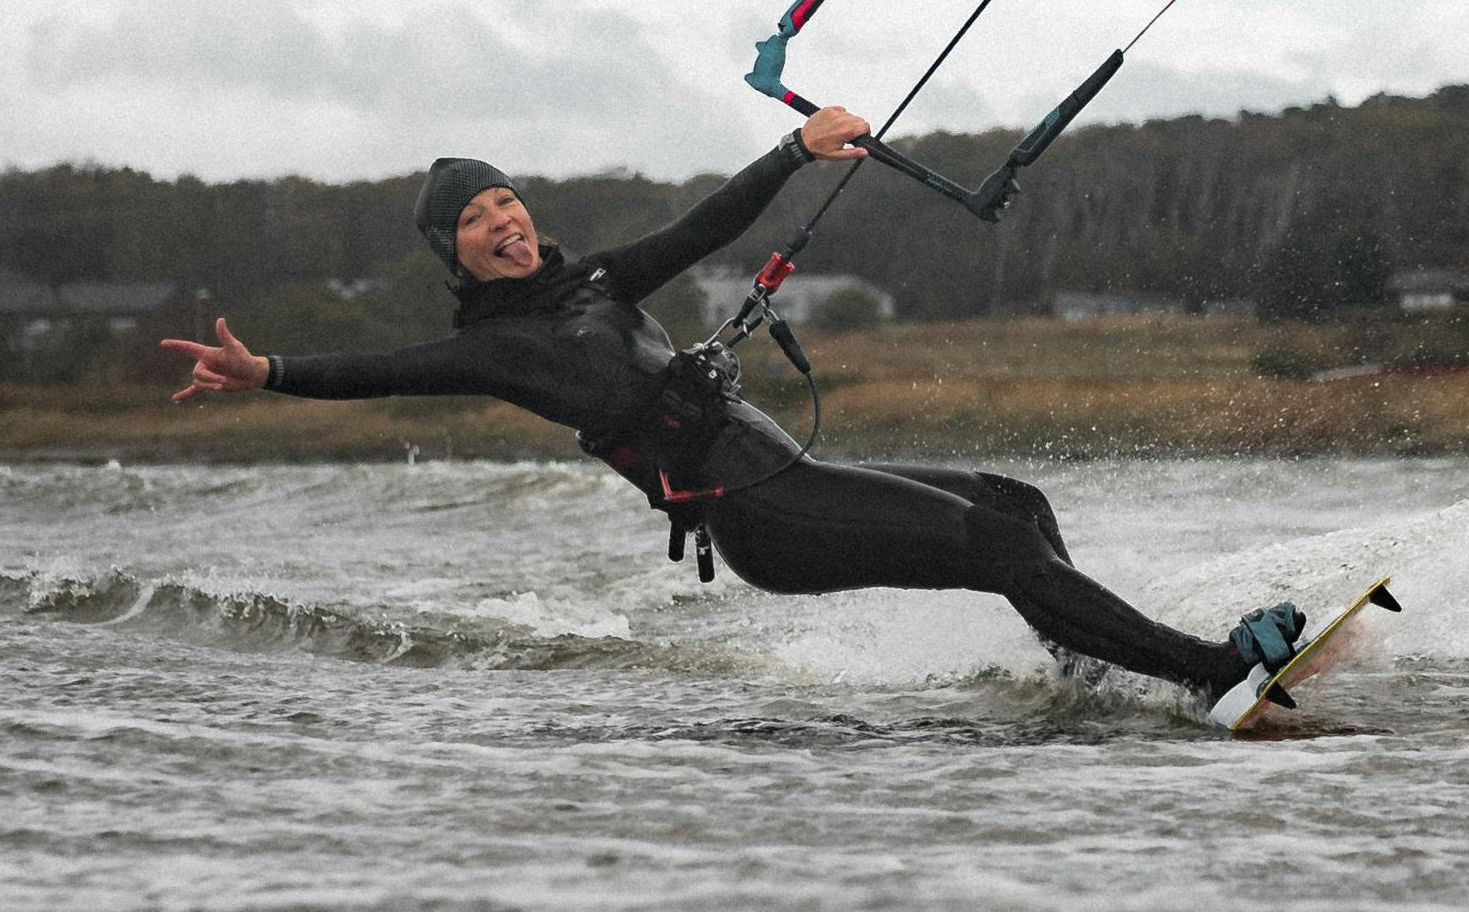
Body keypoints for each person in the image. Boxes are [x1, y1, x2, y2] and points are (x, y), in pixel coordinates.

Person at [160, 112, 1324, 735]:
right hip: (757, 511)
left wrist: (793, 147)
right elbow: (376, 371)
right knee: (998, 549)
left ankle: (1090, 673)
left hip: (784, 467)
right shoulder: (490, 345)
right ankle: (1206, 673)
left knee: (1010, 504)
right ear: (450, 249)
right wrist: (263, 369)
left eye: (505, 198)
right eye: (473, 218)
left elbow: (700, 225)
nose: (501, 220)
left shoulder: (595, 284)